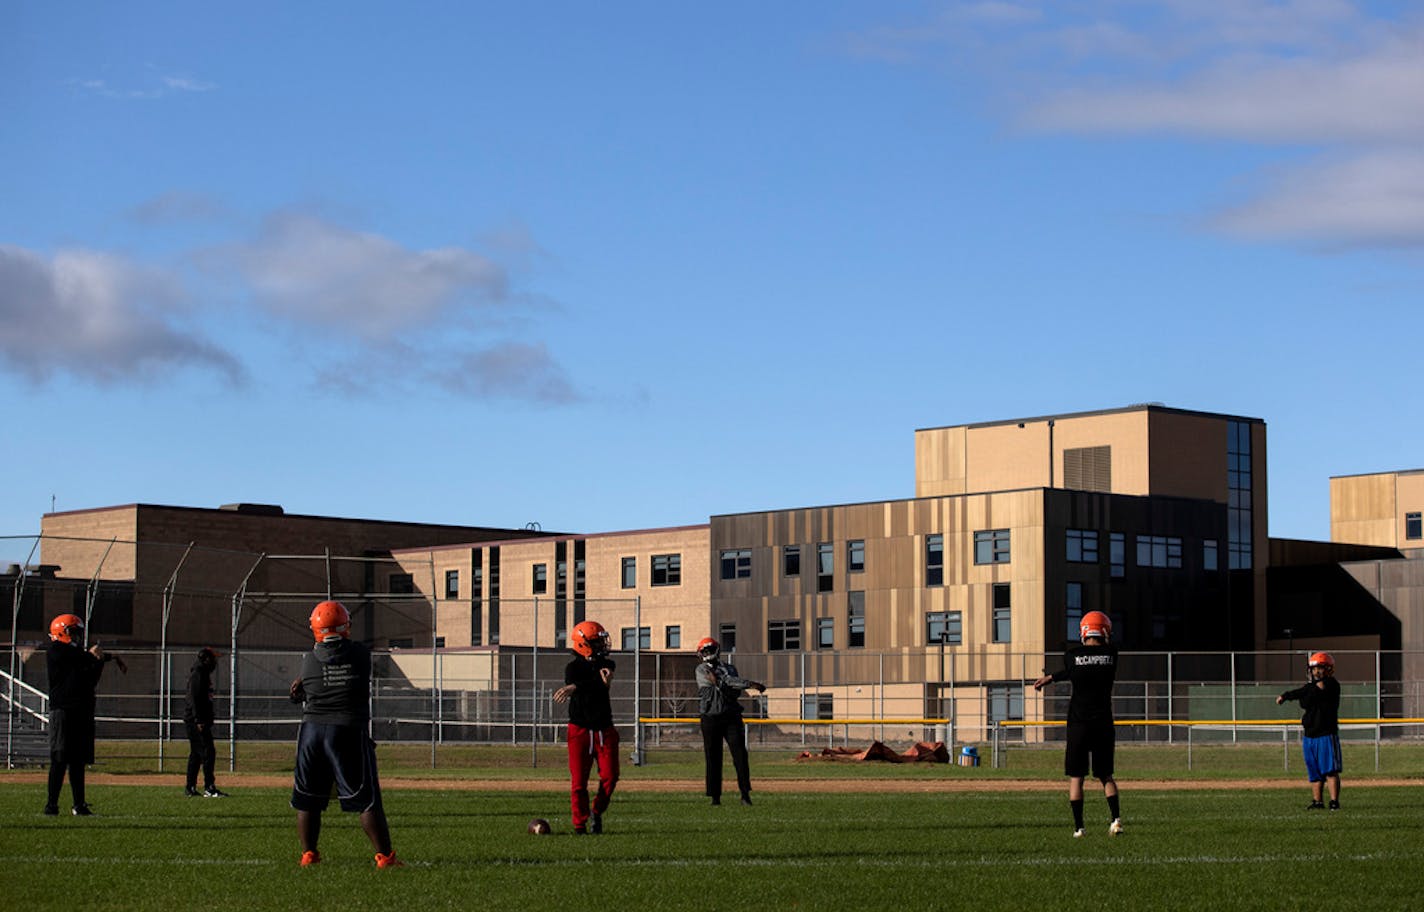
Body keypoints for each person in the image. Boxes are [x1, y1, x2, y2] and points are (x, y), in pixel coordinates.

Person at [289, 600, 403, 868]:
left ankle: (309, 854)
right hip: (347, 730)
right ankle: (385, 856)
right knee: (366, 799)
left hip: (311, 732)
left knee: (308, 798)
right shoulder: (360, 655)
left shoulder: (309, 660)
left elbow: (302, 689)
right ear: (344, 627)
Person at [1033, 610, 1122, 838]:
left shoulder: (1072, 655)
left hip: (1078, 724)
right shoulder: (1111, 654)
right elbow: (1093, 661)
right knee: (1106, 775)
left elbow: (1072, 670)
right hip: (1103, 722)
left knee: (1076, 777)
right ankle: (1115, 821)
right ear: (1104, 631)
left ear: (1083, 630)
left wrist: (1049, 678)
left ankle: (1079, 828)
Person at [44, 613, 125, 816]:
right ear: (61, 631)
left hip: (81, 711)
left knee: (77, 761)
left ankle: (79, 804)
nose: (77, 637)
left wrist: (108, 658)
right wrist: (102, 657)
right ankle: (51, 805)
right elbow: (84, 658)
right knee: (60, 758)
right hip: (63, 711)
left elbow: (89, 668)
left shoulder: (75, 654)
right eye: (73, 632)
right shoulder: (56, 650)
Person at [552, 620, 619, 835]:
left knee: (611, 776)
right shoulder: (573, 667)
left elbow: (598, 684)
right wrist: (582, 686)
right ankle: (579, 825)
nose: (601, 645)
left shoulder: (608, 664)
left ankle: (596, 811)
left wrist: (576, 687)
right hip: (579, 729)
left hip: (604, 729)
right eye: (596, 641)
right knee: (578, 782)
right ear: (583, 643)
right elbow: (596, 685)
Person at [694, 636, 764, 806]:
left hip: (731, 716)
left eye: (710, 650)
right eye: (705, 651)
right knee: (713, 757)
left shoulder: (730, 668)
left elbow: (732, 689)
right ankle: (715, 796)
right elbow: (717, 687)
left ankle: (745, 794)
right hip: (710, 717)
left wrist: (724, 684)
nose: (708, 653)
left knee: (740, 755)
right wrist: (747, 684)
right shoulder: (701, 670)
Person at [1277, 651, 1343, 810]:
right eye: (1314, 669)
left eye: (1320, 668)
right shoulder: (1311, 687)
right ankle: (1317, 801)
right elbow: (1301, 694)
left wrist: (1314, 689)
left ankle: (1334, 801)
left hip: (1326, 734)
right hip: (1310, 735)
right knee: (1314, 771)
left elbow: (1318, 693)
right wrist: (1285, 696)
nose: (1316, 672)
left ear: (1328, 669)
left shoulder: (1333, 685)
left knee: (1330, 770)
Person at [183, 647, 228, 798]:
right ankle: (209, 787)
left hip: (199, 720)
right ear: (206, 659)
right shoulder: (198, 674)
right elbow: (193, 699)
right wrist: (198, 720)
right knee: (208, 752)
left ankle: (190, 788)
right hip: (196, 721)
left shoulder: (203, 674)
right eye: (213, 659)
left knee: (196, 754)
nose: (215, 662)